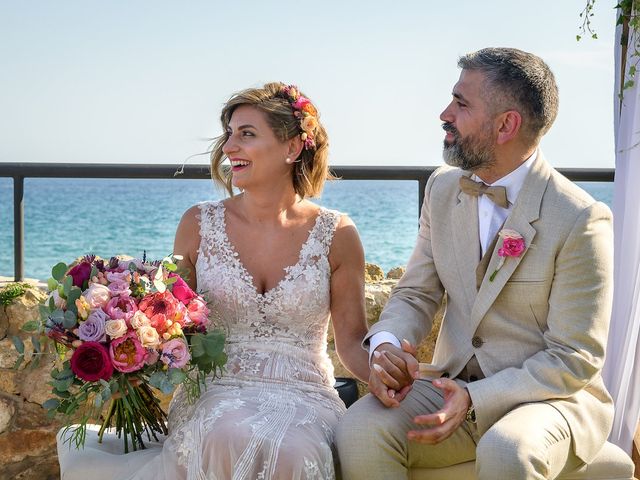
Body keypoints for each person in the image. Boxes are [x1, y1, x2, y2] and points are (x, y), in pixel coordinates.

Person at [57, 82, 370, 479]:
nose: (229, 147)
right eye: (229, 134)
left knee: (294, 452)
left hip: (304, 393)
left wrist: (390, 376)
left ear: (291, 148)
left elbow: (353, 343)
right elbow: (169, 319)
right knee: (224, 433)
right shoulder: (198, 224)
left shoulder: (338, 234)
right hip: (216, 389)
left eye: (247, 134)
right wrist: (130, 345)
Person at [335, 48, 615, 480]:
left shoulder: (580, 218)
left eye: (461, 104)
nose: (445, 114)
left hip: (551, 401)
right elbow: (416, 292)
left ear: (506, 125)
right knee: (358, 428)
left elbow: (574, 358)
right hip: (451, 385)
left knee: (508, 450)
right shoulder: (442, 189)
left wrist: (477, 397)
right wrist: (388, 343)